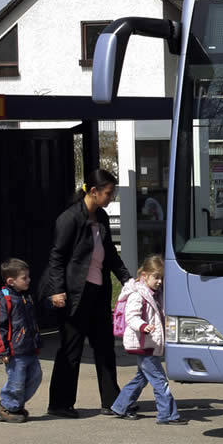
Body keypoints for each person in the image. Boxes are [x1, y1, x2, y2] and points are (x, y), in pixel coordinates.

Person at [43, 169, 132, 417]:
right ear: (93, 191)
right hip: (74, 295)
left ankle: (112, 401)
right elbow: (57, 257)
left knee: (104, 347)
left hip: (98, 292)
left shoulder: (101, 217)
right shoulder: (69, 218)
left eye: (112, 193)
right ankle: (60, 404)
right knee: (71, 349)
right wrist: (57, 290)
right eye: (108, 193)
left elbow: (110, 254)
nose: (110, 198)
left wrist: (127, 278)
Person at [110, 254, 183, 424]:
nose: (159, 281)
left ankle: (120, 406)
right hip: (143, 342)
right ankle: (168, 415)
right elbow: (132, 317)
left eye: (162, 278)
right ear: (145, 275)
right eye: (156, 277)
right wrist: (143, 326)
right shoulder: (138, 295)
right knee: (160, 381)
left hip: (149, 343)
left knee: (141, 378)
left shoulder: (156, 294)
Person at [0, 257, 42, 423]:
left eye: (28, 277)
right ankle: (7, 407)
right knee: (16, 381)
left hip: (29, 348)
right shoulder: (3, 300)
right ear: (11, 281)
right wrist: (2, 350)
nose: (28, 280)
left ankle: (15, 405)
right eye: (24, 278)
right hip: (14, 351)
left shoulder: (26, 298)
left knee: (35, 376)